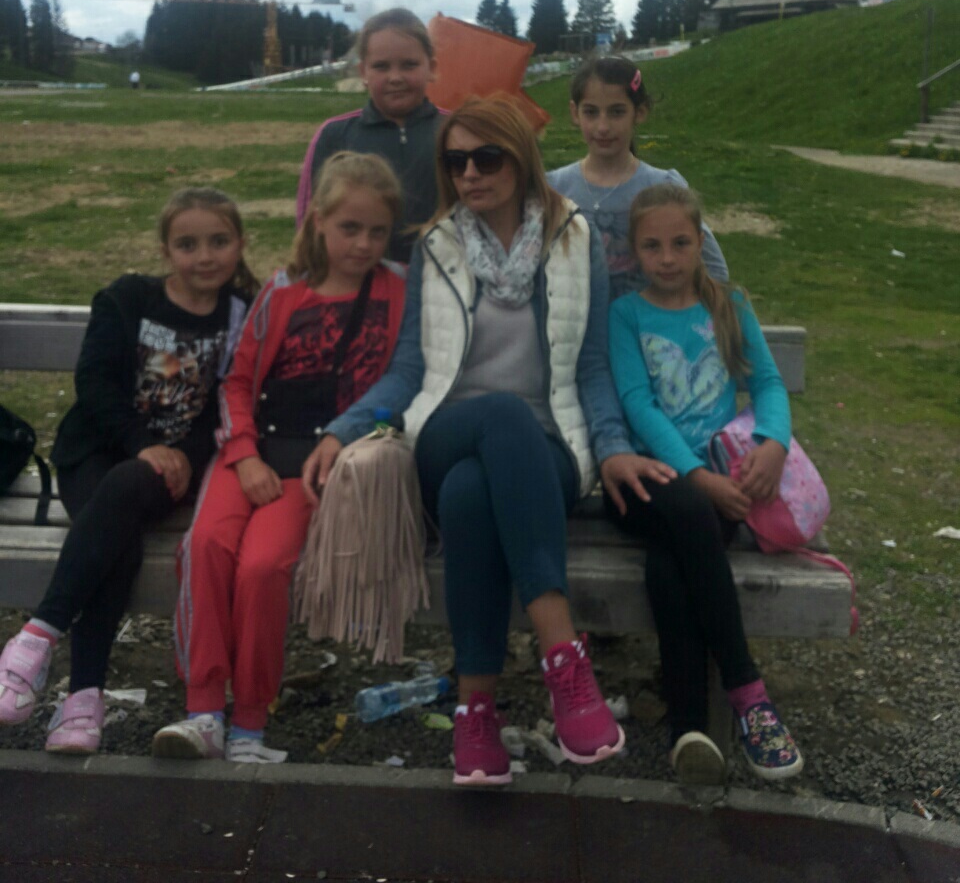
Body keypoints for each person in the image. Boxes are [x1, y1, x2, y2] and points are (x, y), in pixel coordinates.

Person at [302, 96, 675, 787]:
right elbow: (410, 367)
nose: (470, 174)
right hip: (445, 431)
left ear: (519, 157)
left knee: (473, 495)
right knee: (497, 417)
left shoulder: (575, 240)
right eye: (456, 162)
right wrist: (344, 429)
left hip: (547, 449)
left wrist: (613, 445)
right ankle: (563, 657)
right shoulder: (437, 245)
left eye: (486, 157)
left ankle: (475, 712)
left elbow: (592, 366)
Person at [153, 153, 406, 763]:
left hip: (320, 463)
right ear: (319, 221)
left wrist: (347, 440)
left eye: (377, 231)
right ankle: (203, 707)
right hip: (252, 449)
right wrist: (243, 455)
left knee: (263, 568)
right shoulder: (283, 290)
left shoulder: (400, 291)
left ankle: (249, 719)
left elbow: (403, 380)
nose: (363, 244)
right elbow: (238, 381)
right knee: (206, 546)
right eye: (350, 228)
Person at [0, 188, 256, 754]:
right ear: (166, 250)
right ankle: (81, 697)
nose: (204, 256)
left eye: (218, 241)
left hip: (174, 469)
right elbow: (93, 383)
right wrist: (143, 443)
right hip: (97, 450)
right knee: (118, 535)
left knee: (125, 497)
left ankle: (36, 639)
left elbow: (229, 399)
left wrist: (182, 454)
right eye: (187, 244)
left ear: (240, 244)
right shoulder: (127, 298)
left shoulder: (242, 313)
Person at [605, 182, 803, 784]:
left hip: (722, 483)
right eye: (653, 246)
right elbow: (638, 405)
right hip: (645, 478)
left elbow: (767, 382)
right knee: (690, 517)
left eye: (680, 243)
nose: (667, 258)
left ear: (700, 242)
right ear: (634, 252)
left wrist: (773, 442)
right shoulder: (626, 314)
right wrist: (696, 479)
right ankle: (749, 693)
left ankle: (688, 731)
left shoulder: (727, 306)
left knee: (670, 563)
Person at [547, 55, 729, 300]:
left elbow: (715, 269)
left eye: (617, 112)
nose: (603, 127)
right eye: (591, 112)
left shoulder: (662, 187)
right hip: (574, 324)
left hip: (644, 325)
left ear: (639, 112)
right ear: (575, 113)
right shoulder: (554, 188)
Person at [295, 8, 442, 264]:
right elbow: (311, 219)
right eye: (381, 67)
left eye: (409, 65)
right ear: (363, 72)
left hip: (444, 280)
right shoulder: (335, 135)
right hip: (360, 279)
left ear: (432, 67)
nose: (395, 77)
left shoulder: (456, 131)